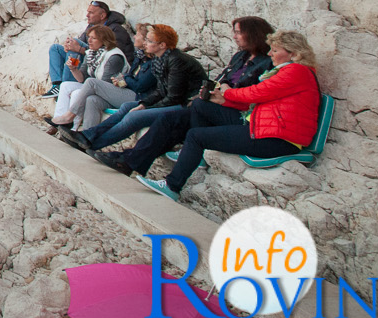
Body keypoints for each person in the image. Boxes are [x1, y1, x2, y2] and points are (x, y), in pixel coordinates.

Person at [137, 30, 321, 201]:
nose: (270, 54)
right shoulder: (288, 72)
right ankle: (196, 156)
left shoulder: (296, 71)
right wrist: (222, 101)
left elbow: (256, 93)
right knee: (202, 104)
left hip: (278, 139)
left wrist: (226, 94)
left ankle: (172, 186)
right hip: (263, 128)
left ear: (293, 53)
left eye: (275, 50)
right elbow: (254, 101)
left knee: (195, 136)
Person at [86, 19, 267, 174]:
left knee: (150, 117)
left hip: (223, 110)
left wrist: (226, 93)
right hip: (205, 105)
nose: (234, 36)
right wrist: (145, 102)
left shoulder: (266, 63)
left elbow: (172, 95)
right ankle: (120, 156)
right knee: (164, 121)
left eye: (238, 33)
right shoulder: (240, 57)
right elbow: (219, 81)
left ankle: (111, 151)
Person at [42, 0, 134, 98]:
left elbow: (109, 53)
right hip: (90, 59)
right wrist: (69, 46)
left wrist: (78, 49)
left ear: (102, 16)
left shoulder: (116, 29)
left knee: (74, 50)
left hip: (106, 69)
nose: (87, 15)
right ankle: (57, 84)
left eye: (91, 13)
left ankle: (66, 83)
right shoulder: (91, 26)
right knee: (55, 48)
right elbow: (82, 44)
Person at [49, 25, 129, 130]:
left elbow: (105, 84)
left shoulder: (114, 56)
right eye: (89, 37)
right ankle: (58, 121)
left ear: (104, 40)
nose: (89, 41)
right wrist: (73, 69)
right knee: (65, 85)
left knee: (77, 93)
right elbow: (82, 78)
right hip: (96, 86)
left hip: (113, 91)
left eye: (94, 38)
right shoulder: (91, 53)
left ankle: (73, 127)